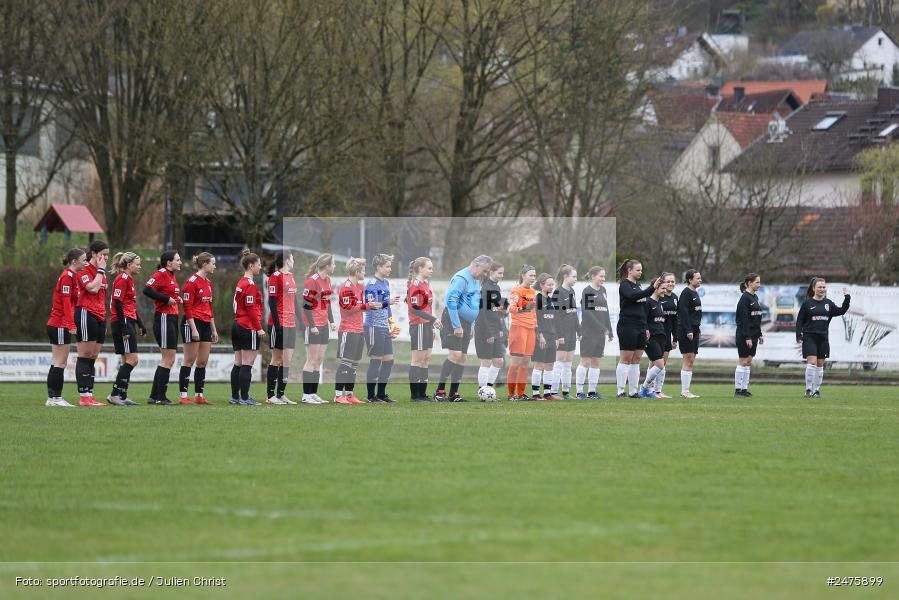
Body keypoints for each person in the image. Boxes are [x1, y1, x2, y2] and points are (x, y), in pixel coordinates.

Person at [435, 255, 493, 402]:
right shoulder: (461, 278)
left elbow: (474, 303)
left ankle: (453, 394)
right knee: (455, 355)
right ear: (477, 265)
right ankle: (439, 392)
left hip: (467, 323)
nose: (485, 274)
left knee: (462, 357)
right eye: (485, 270)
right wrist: (456, 325)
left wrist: (471, 325)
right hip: (453, 320)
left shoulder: (476, 280)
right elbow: (451, 301)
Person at [46, 248, 87, 407]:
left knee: (56, 362)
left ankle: (52, 398)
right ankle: (56, 399)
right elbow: (66, 304)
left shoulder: (72, 276)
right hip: (60, 324)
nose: (86, 262)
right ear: (74, 261)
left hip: (57, 324)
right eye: (84, 260)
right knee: (60, 363)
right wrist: (71, 324)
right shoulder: (67, 277)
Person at [796, 278, 850, 398]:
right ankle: (808, 389)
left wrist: (847, 298)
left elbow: (842, 310)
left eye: (823, 287)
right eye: (819, 287)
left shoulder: (828, 304)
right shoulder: (807, 303)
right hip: (809, 337)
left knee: (820, 364)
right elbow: (799, 320)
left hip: (823, 338)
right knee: (812, 363)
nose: (822, 289)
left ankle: (816, 390)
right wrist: (798, 335)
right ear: (814, 288)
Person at [142, 250, 183, 405]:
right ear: (169, 263)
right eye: (177, 260)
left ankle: (154, 396)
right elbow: (146, 289)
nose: (180, 262)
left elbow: (168, 293)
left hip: (171, 318)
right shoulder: (161, 273)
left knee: (167, 359)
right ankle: (161, 397)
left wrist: (176, 299)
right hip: (164, 318)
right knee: (168, 359)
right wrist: (166, 299)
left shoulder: (171, 275)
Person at [616, 259, 660, 398]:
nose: (640, 272)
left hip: (640, 326)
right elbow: (633, 296)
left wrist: (645, 327)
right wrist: (652, 288)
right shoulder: (624, 284)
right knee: (626, 359)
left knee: (636, 359)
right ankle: (620, 391)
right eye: (638, 270)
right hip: (627, 325)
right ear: (629, 270)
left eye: (641, 270)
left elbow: (642, 308)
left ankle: (633, 391)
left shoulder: (639, 285)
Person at [107, 252, 147, 406]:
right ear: (129, 265)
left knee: (126, 360)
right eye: (137, 264)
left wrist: (140, 324)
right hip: (122, 322)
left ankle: (122, 396)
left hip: (127, 320)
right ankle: (114, 395)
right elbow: (117, 303)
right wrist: (124, 328)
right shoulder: (122, 279)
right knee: (133, 360)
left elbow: (130, 306)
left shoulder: (128, 279)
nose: (139, 266)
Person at [336, 258, 377, 404]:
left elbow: (363, 305)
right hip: (348, 330)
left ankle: (349, 394)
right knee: (346, 362)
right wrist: (367, 306)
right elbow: (348, 309)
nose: (365, 273)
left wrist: (373, 304)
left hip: (359, 329)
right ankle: (338, 395)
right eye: (363, 270)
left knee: (354, 363)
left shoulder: (360, 287)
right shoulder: (346, 287)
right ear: (357, 271)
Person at [74, 240, 110, 406]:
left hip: (100, 316)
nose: (106, 258)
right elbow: (92, 288)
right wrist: (101, 270)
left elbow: (102, 296)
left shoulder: (102, 272)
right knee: (85, 354)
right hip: (86, 313)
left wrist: (104, 318)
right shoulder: (85, 269)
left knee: (94, 356)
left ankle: (89, 393)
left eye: (107, 255)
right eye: (103, 254)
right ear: (94, 254)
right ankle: (84, 396)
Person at [180, 252, 219, 405]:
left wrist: (213, 329)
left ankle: (199, 395)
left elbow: (209, 307)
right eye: (213, 263)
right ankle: (183, 396)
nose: (215, 266)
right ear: (204, 264)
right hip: (192, 322)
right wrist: (193, 328)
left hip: (206, 324)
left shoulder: (208, 283)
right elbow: (187, 307)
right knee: (189, 360)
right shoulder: (191, 282)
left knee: (202, 362)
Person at [364, 253, 401, 403]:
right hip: (373, 327)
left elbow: (387, 308)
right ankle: (371, 396)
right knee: (376, 361)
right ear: (379, 267)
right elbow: (371, 306)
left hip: (384, 327)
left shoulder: (385, 282)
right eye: (387, 266)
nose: (390, 269)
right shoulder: (372, 284)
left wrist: (392, 324)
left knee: (389, 361)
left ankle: (381, 394)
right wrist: (388, 302)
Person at [301, 254, 337, 404]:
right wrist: (312, 325)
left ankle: (313, 393)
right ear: (327, 266)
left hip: (324, 325)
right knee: (312, 359)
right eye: (333, 264)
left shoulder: (327, 280)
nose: (334, 266)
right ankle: (306, 395)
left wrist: (332, 321)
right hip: (314, 326)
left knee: (319, 359)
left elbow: (327, 303)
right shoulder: (312, 281)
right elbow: (306, 305)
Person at [231, 249, 266, 405]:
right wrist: (258, 328)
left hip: (237, 324)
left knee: (238, 363)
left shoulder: (241, 282)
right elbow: (251, 308)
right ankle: (245, 398)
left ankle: (235, 397)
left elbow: (236, 305)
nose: (260, 267)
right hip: (248, 326)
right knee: (247, 364)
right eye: (259, 264)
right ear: (251, 266)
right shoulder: (250, 284)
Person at [265, 252, 299, 405]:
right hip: (278, 324)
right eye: (292, 258)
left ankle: (281, 394)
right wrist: (277, 324)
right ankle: (270, 396)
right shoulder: (275, 277)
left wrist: (302, 322)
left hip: (291, 324)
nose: (293, 261)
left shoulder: (291, 277)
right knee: (277, 359)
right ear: (286, 260)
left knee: (287, 360)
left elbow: (295, 301)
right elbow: (271, 302)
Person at [406, 257, 441, 401]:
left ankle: (422, 394)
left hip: (426, 326)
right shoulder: (415, 285)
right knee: (417, 361)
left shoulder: (425, 285)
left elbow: (426, 308)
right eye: (429, 268)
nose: (432, 270)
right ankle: (415, 395)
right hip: (418, 325)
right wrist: (433, 319)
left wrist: (431, 324)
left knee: (425, 360)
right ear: (420, 269)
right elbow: (414, 309)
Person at [576, 266, 612, 400]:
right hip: (588, 331)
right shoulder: (588, 291)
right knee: (585, 361)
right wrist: (602, 327)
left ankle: (592, 392)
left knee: (596, 362)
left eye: (604, 276)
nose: (603, 279)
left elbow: (605, 311)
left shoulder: (603, 290)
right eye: (601, 276)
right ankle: (579, 392)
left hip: (600, 333)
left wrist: (609, 329)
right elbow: (587, 313)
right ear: (593, 276)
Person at [474, 261, 506, 394]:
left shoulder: (496, 288)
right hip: (484, 329)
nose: (501, 276)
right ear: (491, 272)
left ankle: (488, 389)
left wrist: (500, 328)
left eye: (503, 273)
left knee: (499, 361)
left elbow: (497, 311)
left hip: (495, 329)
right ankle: (482, 391)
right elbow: (481, 313)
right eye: (499, 273)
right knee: (486, 361)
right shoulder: (485, 288)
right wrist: (488, 333)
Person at [506, 265, 537, 400]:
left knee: (525, 362)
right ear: (523, 275)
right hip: (519, 328)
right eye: (531, 275)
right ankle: (511, 394)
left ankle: (521, 393)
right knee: (516, 362)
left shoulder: (533, 292)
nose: (533, 278)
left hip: (530, 329)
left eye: (534, 275)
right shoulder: (516, 290)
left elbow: (534, 312)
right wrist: (524, 307)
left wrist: (536, 327)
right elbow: (511, 308)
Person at [531, 273, 562, 400]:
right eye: (549, 285)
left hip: (551, 337)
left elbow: (554, 321)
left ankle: (548, 394)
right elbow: (535, 319)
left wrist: (556, 337)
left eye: (552, 284)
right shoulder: (537, 299)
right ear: (541, 285)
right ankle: (535, 394)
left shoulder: (550, 300)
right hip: (541, 337)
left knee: (550, 365)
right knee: (539, 365)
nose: (551, 287)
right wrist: (540, 335)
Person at [551, 264, 579, 399]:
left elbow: (574, 313)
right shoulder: (558, 293)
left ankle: (566, 392)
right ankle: (553, 392)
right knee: (559, 361)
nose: (576, 279)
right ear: (565, 276)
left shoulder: (572, 291)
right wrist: (559, 335)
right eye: (574, 276)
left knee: (568, 362)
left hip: (572, 332)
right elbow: (556, 316)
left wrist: (579, 331)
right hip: (562, 333)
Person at [734, 273, 764, 398]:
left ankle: (744, 389)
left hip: (754, 334)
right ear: (749, 283)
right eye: (757, 282)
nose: (759, 285)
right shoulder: (744, 298)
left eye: (759, 282)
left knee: (748, 361)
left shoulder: (755, 297)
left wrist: (760, 334)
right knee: (743, 361)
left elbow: (756, 318)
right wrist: (747, 337)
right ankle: (738, 390)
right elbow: (743, 320)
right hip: (745, 335)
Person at [639, 280, 668, 398]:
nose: (665, 291)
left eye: (665, 288)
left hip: (661, 336)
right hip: (651, 338)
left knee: (652, 365)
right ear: (656, 288)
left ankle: (649, 391)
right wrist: (646, 331)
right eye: (663, 288)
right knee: (660, 364)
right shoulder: (647, 302)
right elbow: (643, 319)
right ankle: (644, 387)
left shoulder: (660, 303)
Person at [655, 272, 678, 399]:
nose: (670, 284)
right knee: (654, 363)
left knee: (662, 364)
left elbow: (675, 320)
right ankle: (648, 389)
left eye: (672, 281)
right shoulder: (658, 296)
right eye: (668, 281)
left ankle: (658, 391)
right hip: (657, 334)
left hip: (667, 335)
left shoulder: (675, 297)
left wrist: (675, 338)